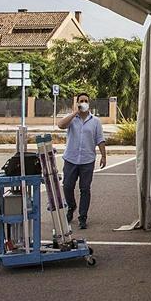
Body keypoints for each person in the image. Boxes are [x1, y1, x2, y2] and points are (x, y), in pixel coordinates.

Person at [57, 92, 106, 229]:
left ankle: (82, 217)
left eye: (86, 101)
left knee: (85, 189)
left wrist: (103, 155)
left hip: (87, 160)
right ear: (77, 103)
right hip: (71, 159)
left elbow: (100, 139)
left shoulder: (95, 121)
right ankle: (71, 207)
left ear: (89, 103)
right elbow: (60, 125)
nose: (83, 103)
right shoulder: (72, 119)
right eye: (81, 101)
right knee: (67, 186)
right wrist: (74, 113)